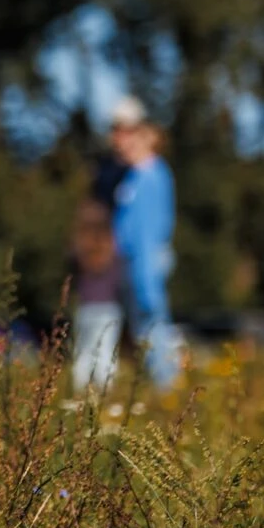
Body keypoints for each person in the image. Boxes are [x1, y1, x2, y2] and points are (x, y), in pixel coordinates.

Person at [108, 97, 181, 391]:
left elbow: (150, 236)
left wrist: (147, 284)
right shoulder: (134, 176)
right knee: (144, 334)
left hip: (144, 268)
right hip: (134, 266)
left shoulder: (151, 176)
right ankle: (163, 393)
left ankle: (169, 394)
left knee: (154, 333)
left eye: (125, 132)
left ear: (141, 134)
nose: (118, 140)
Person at [70, 197, 125, 393]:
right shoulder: (113, 249)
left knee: (83, 352)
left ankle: (78, 388)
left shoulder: (79, 248)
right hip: (109, 308)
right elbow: (121, 278)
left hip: (86, 307)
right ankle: (105, 392)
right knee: (106, 353)